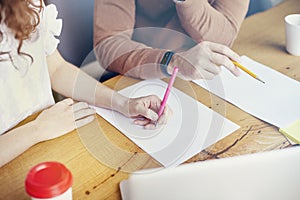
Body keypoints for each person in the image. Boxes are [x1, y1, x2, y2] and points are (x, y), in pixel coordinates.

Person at [0, 0, 171, 167]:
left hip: (48, 136)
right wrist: (36, 130)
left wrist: (122, 102)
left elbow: (56, 69)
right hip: (26, 142)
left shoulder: (29, 5)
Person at [94, 0, 249, 80]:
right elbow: (109, 44)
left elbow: (224, 38)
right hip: (142, 76)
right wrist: (172, 61)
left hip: (207, 77)